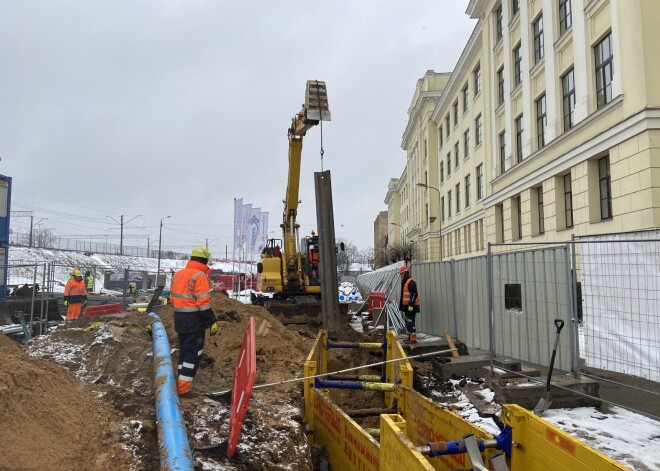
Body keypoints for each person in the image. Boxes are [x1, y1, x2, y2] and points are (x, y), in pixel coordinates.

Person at [170, 246, 218, 397]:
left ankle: (180, 383)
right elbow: (203, 303)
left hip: (179, 320)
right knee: (192, 354)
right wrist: (212, 321)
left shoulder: (179, 274)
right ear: (204, 261)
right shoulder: (199, 276)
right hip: (194, 322)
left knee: (184, 352)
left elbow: (172, 298)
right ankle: (184, 389)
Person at [399, 265, 421, 343]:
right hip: (407, 307)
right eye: (400, 274)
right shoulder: (405, 282)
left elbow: (414, 294)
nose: (400, 275)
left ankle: (412, 338)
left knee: (411, 322)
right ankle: (410, 337)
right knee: (408, 321)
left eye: (402, 274)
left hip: (411, 307)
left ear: (406, 273)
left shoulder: (411, 282)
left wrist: (411, 305)